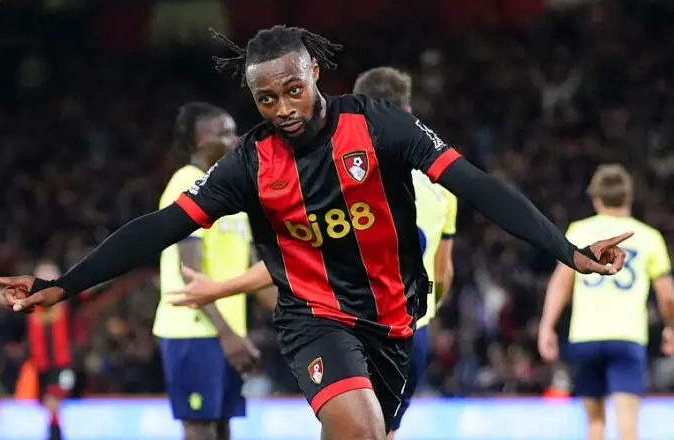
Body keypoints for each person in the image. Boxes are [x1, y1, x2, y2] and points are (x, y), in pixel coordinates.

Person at [0, 25, 630, 440]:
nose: (283, 109)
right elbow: (161, 227)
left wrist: (569, 252)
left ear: (315, 75)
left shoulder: (379, 127)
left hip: (395, 319)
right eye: (266, 100)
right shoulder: (247, 162)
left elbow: (479, 186)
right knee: (356, 427)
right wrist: (65, 285)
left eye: (293, 90)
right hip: (315, 318)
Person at [167, 66, 457, 439]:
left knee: (347, 427)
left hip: (353, 324)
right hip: (412, 329)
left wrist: (227, 291)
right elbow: (443, 274)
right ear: (407, 110)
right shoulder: (439, 183)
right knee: (380, 431)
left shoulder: (346, 171)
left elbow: (299, 258)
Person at [538, 164, 674, 440]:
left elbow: (561, 282)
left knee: (594, 426)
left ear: (595, 198)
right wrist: (672, 329)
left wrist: (547, 326)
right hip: (627, 338)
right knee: (628, 428)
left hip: (585, 337)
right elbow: (668, 295)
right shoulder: (649, 237)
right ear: (629, 196)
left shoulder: (579, 231)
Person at [153, 102, 261, 440]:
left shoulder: (232, 193)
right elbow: (190, 273)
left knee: (223, 427)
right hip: (192, 331)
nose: (236, 139)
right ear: (200, 140)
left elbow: (257, 273)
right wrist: (228, 336)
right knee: (201, 428)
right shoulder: (186, 185)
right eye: (224, 133)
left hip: (228, 332)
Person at [0, 261, 78, 440]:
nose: (46, 279)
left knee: (52, 403)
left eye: (50, 275)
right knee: (36, 402)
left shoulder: (67, 302)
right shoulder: (29, 303)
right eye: (41, 276)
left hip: (62, 366)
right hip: (39, 367)